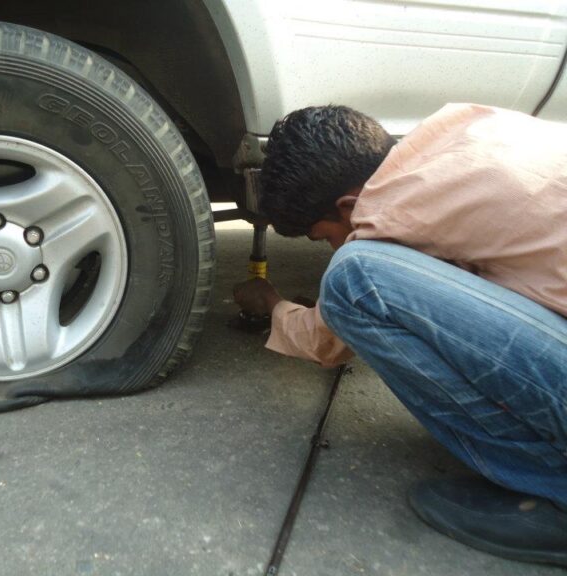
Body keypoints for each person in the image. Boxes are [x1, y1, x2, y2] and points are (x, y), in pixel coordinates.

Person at [233, 103, 567, 566]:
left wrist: (272, 304)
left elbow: (326, 338)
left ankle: (554, 488)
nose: (333, 246)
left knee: (354, 280)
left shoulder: (398, 209)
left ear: (348, 206)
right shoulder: (461, 127)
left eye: (323, 236)